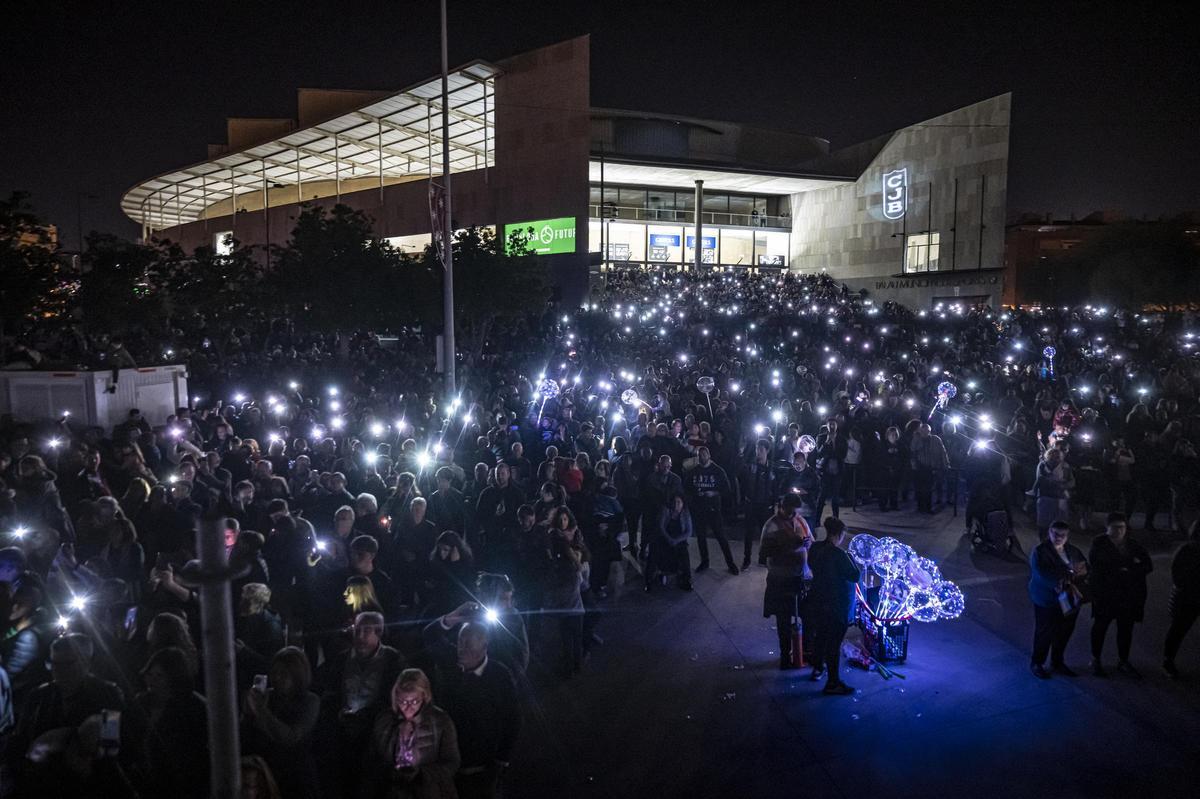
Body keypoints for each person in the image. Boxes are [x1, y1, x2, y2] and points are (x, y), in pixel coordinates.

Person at [315, 611, 404, 799]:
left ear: (378, 633)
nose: (360, 637)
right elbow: (330, 691)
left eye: (366, 632)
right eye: (357, 631)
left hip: (374, 733)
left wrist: (367, 715)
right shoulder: (341, 658)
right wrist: (338, 712)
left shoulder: (392, 659)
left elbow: (393, 696)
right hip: (342, 731)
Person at [435, 623, 521, 799]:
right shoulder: (450, 666)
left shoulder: (500, 675)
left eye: (468, 643)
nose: (462, 648)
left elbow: (513, 719)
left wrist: (501, 760)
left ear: (485, 645)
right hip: (447, 762)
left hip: (482, 766)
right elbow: (430, 635)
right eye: (460, 641)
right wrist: (455, 615)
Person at [364, 668, 460, 799]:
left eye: (414, 701)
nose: (408, 707)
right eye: (403, 701)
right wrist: (389, 773)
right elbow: (372, 759)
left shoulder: (440, 721)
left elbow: (452, 762)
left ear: (424, 697)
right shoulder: (384, 720)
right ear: (395, 697)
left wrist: (422, 774)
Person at [241, 646, 321, 799]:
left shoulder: (310, 701)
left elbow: (291, 737)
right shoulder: (268, 696)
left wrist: (260, 710)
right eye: (274, 673)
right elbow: (246, 737)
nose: (277, 678)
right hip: (268, 772)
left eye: (283, 674)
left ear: (297, 676)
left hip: (296, 775)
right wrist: (247, 714)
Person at [137, 646, 210, 798]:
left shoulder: (193, 708)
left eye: (159, 676)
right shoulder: (141, 703)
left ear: (174, 677)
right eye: (150, 674)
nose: (152, 680)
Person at [1088, 512, 1152, 676]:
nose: (1119, 531)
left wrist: (1127, 570)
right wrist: (1126, 568)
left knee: (1125, 629)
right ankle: (1095, 659)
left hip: (1127, 596)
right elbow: (1097, 566)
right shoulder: (1099, 543)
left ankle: (1123, 660)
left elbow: (1147, 565)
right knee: (1100, 627)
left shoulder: (1132, 544)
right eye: (1115, 528)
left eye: (1122, 527)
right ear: (1107, 528)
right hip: (1105, 594)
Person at [806, 517, 861, 694]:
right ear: (838, 534)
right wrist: (851, 558)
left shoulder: (815, 548)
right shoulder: (839, 555)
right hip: (836, 606)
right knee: (833, 644)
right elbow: (854, 576)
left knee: (821, 637)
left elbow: (811, 566)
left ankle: (818, 668)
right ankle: (833, 682)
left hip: (818, 602)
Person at [1028, 520, 1089, 678]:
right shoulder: (1040, 551)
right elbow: (1040, 574)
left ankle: (1057, 661)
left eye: (1062, 535)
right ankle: (1037, 662)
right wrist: (1061, 580)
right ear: (1049, 533)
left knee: (1064, 632)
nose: (1059, 537)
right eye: (1055, 534)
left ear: (1067, 536)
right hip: (1047, 600)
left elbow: (1084, 568)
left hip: (1068, 599)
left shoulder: (1072, 550)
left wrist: (1079, 574)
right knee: (1044, 632)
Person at [759, 494, 813, 670]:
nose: (793, 515)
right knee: (783, 620)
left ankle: (804, 652)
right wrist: (791, 546)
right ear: (782, 507)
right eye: (790, 512)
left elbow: (810, 541)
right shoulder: (771, 525)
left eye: (795, 512)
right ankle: (785, 656)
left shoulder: (801, 521)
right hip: (780, 580)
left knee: (806, 616)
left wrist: (806, 543)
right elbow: (764, 554)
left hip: (801, 578)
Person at [684, 446, 737, 574]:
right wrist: (693, 498)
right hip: (699, 509)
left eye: (703, 454)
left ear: (709, 455)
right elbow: (686, 489)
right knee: (701, 537)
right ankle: (704, 562)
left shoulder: (718, 471)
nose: (701, 457)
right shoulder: (693, 471)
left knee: (721, 537)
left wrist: (713, 493)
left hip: (713, 509)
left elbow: (727, 489)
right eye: (699, 455)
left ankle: (731, 564)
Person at [1163, 519, 1200, 677]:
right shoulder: (1186, 551)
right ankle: (1168, 660)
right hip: (1186, 598)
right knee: (1178, 629)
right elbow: (1178, 577)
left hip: (1190, 595)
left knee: (1178, 629)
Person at [646, 494, 693, 592]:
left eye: (679, 502)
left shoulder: (685, 513)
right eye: (675, 502)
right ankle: (648, 580)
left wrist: (676, 540)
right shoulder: (666, 510)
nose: (676, 504)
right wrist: (669, 539)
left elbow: (688, 531)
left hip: (678, 539)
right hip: (663, 538)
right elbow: (661, 527)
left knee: (684, 555)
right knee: (654, 552)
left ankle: (686, 580)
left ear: (683, 504)